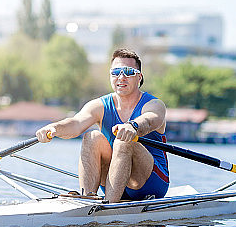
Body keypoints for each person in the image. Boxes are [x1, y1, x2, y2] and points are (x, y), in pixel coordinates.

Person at [36, 48, 169, 202]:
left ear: (139, 77)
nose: (121, 77)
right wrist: (54, 128)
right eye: (116, 72)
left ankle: (108, 206)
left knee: (124, 141)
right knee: (91, 136)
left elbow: (150, 119)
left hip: (150, 183)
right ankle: (87, 198)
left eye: (128, 72)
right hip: (114, 181)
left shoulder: (154, 104)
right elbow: (76, 123)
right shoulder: (100, 105)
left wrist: (133, 126)